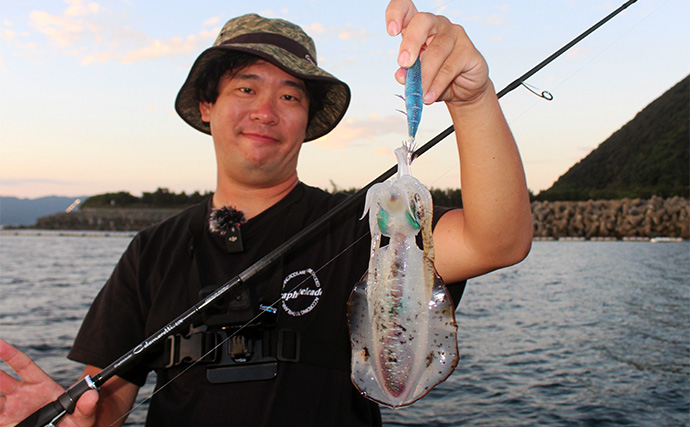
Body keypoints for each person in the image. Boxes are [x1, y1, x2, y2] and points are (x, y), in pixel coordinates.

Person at [0, 0, 533, 425]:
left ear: (307, 120)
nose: (265, 111)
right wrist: (75, 420)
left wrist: (472, 98)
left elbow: (498, 241)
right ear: (208, 107)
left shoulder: (366, 227)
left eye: (290, 96)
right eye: (246, 88)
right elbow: (109, 399)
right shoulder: (152, 250)